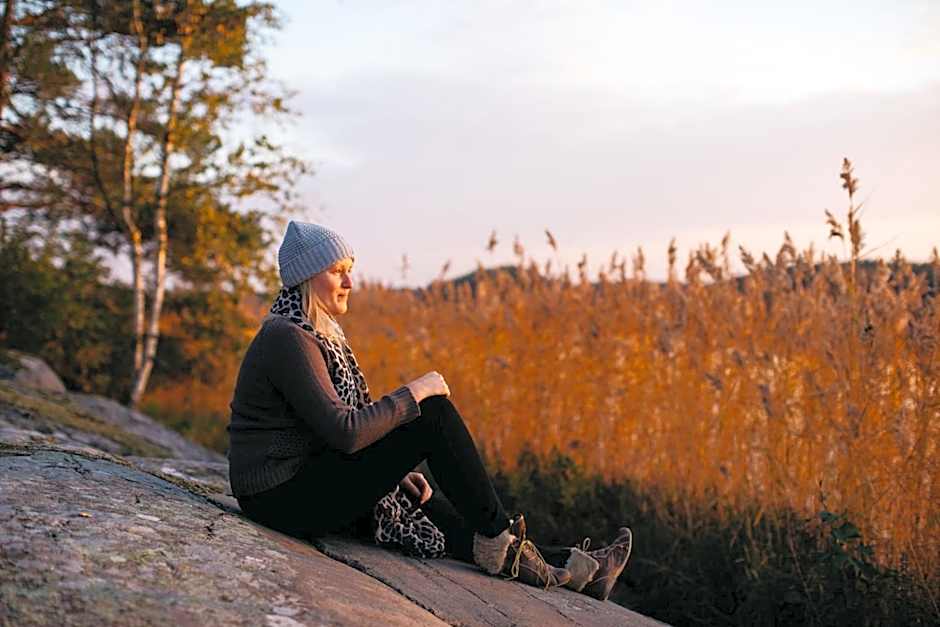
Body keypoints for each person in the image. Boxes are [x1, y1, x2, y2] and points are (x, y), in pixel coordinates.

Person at [227, 221, 632, 596]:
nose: (350, 281)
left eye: (349, 269)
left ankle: (581, 570)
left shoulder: (315, 332)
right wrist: (415, 392)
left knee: (430, 513)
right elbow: (345, 431)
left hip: (300, 484)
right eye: (337, 271)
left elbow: (327, 427)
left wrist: (397, 473)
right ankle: (503, 541)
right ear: (306, 278)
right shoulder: (288, 337)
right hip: (279, 496)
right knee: (432, 414)